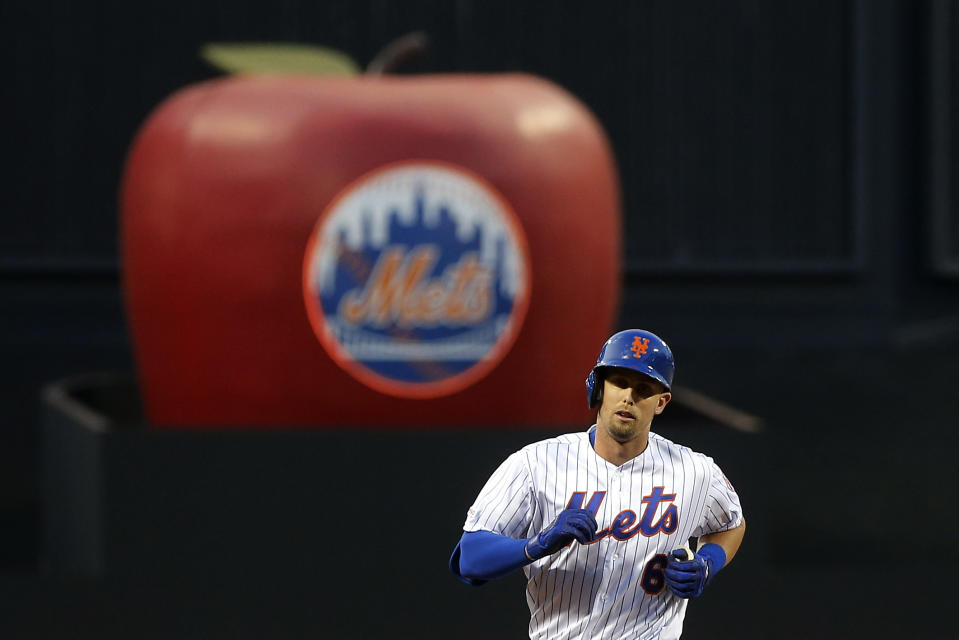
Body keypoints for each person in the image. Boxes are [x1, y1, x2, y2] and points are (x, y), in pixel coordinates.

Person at [449, 329, 745, 640]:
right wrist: (536, 544)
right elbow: (469, 558)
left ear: (661, 402)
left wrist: (707, 563)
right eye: (619, 382)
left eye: (644, 389)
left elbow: (731, 523)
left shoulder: (696, 470)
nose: (629, 397)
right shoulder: (534, 463)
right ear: (599, 387)